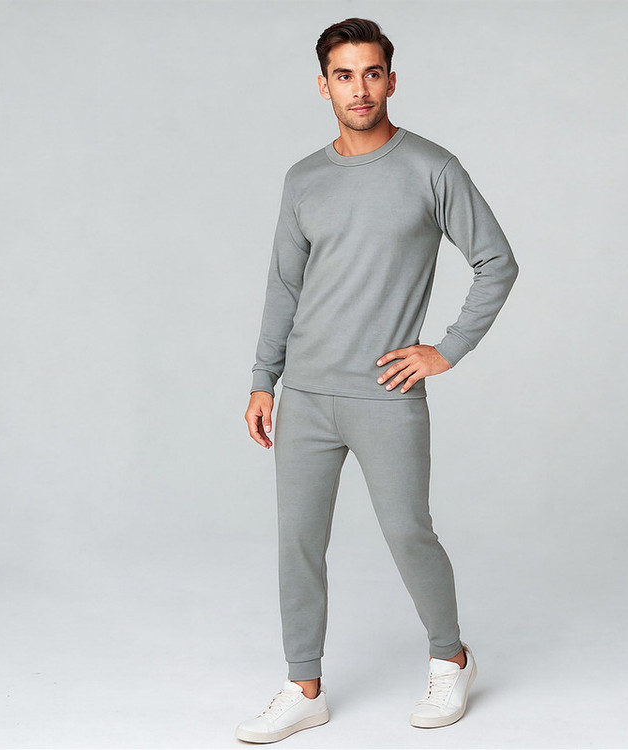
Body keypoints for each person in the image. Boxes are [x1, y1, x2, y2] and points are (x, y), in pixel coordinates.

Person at [236, 16, 519, 744]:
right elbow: (284, 287)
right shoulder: (303, 179)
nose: (358, 88)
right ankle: (303, 687)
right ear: (323, 85)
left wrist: (447, 349)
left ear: (391, 80)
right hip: (306, 395)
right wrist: (265, 379)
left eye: (371, 73)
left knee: (407, 532)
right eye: (344, 75)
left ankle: (451, 659)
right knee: (298, 542)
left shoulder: (431, 167)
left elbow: (496, 261)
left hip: (386, 395)